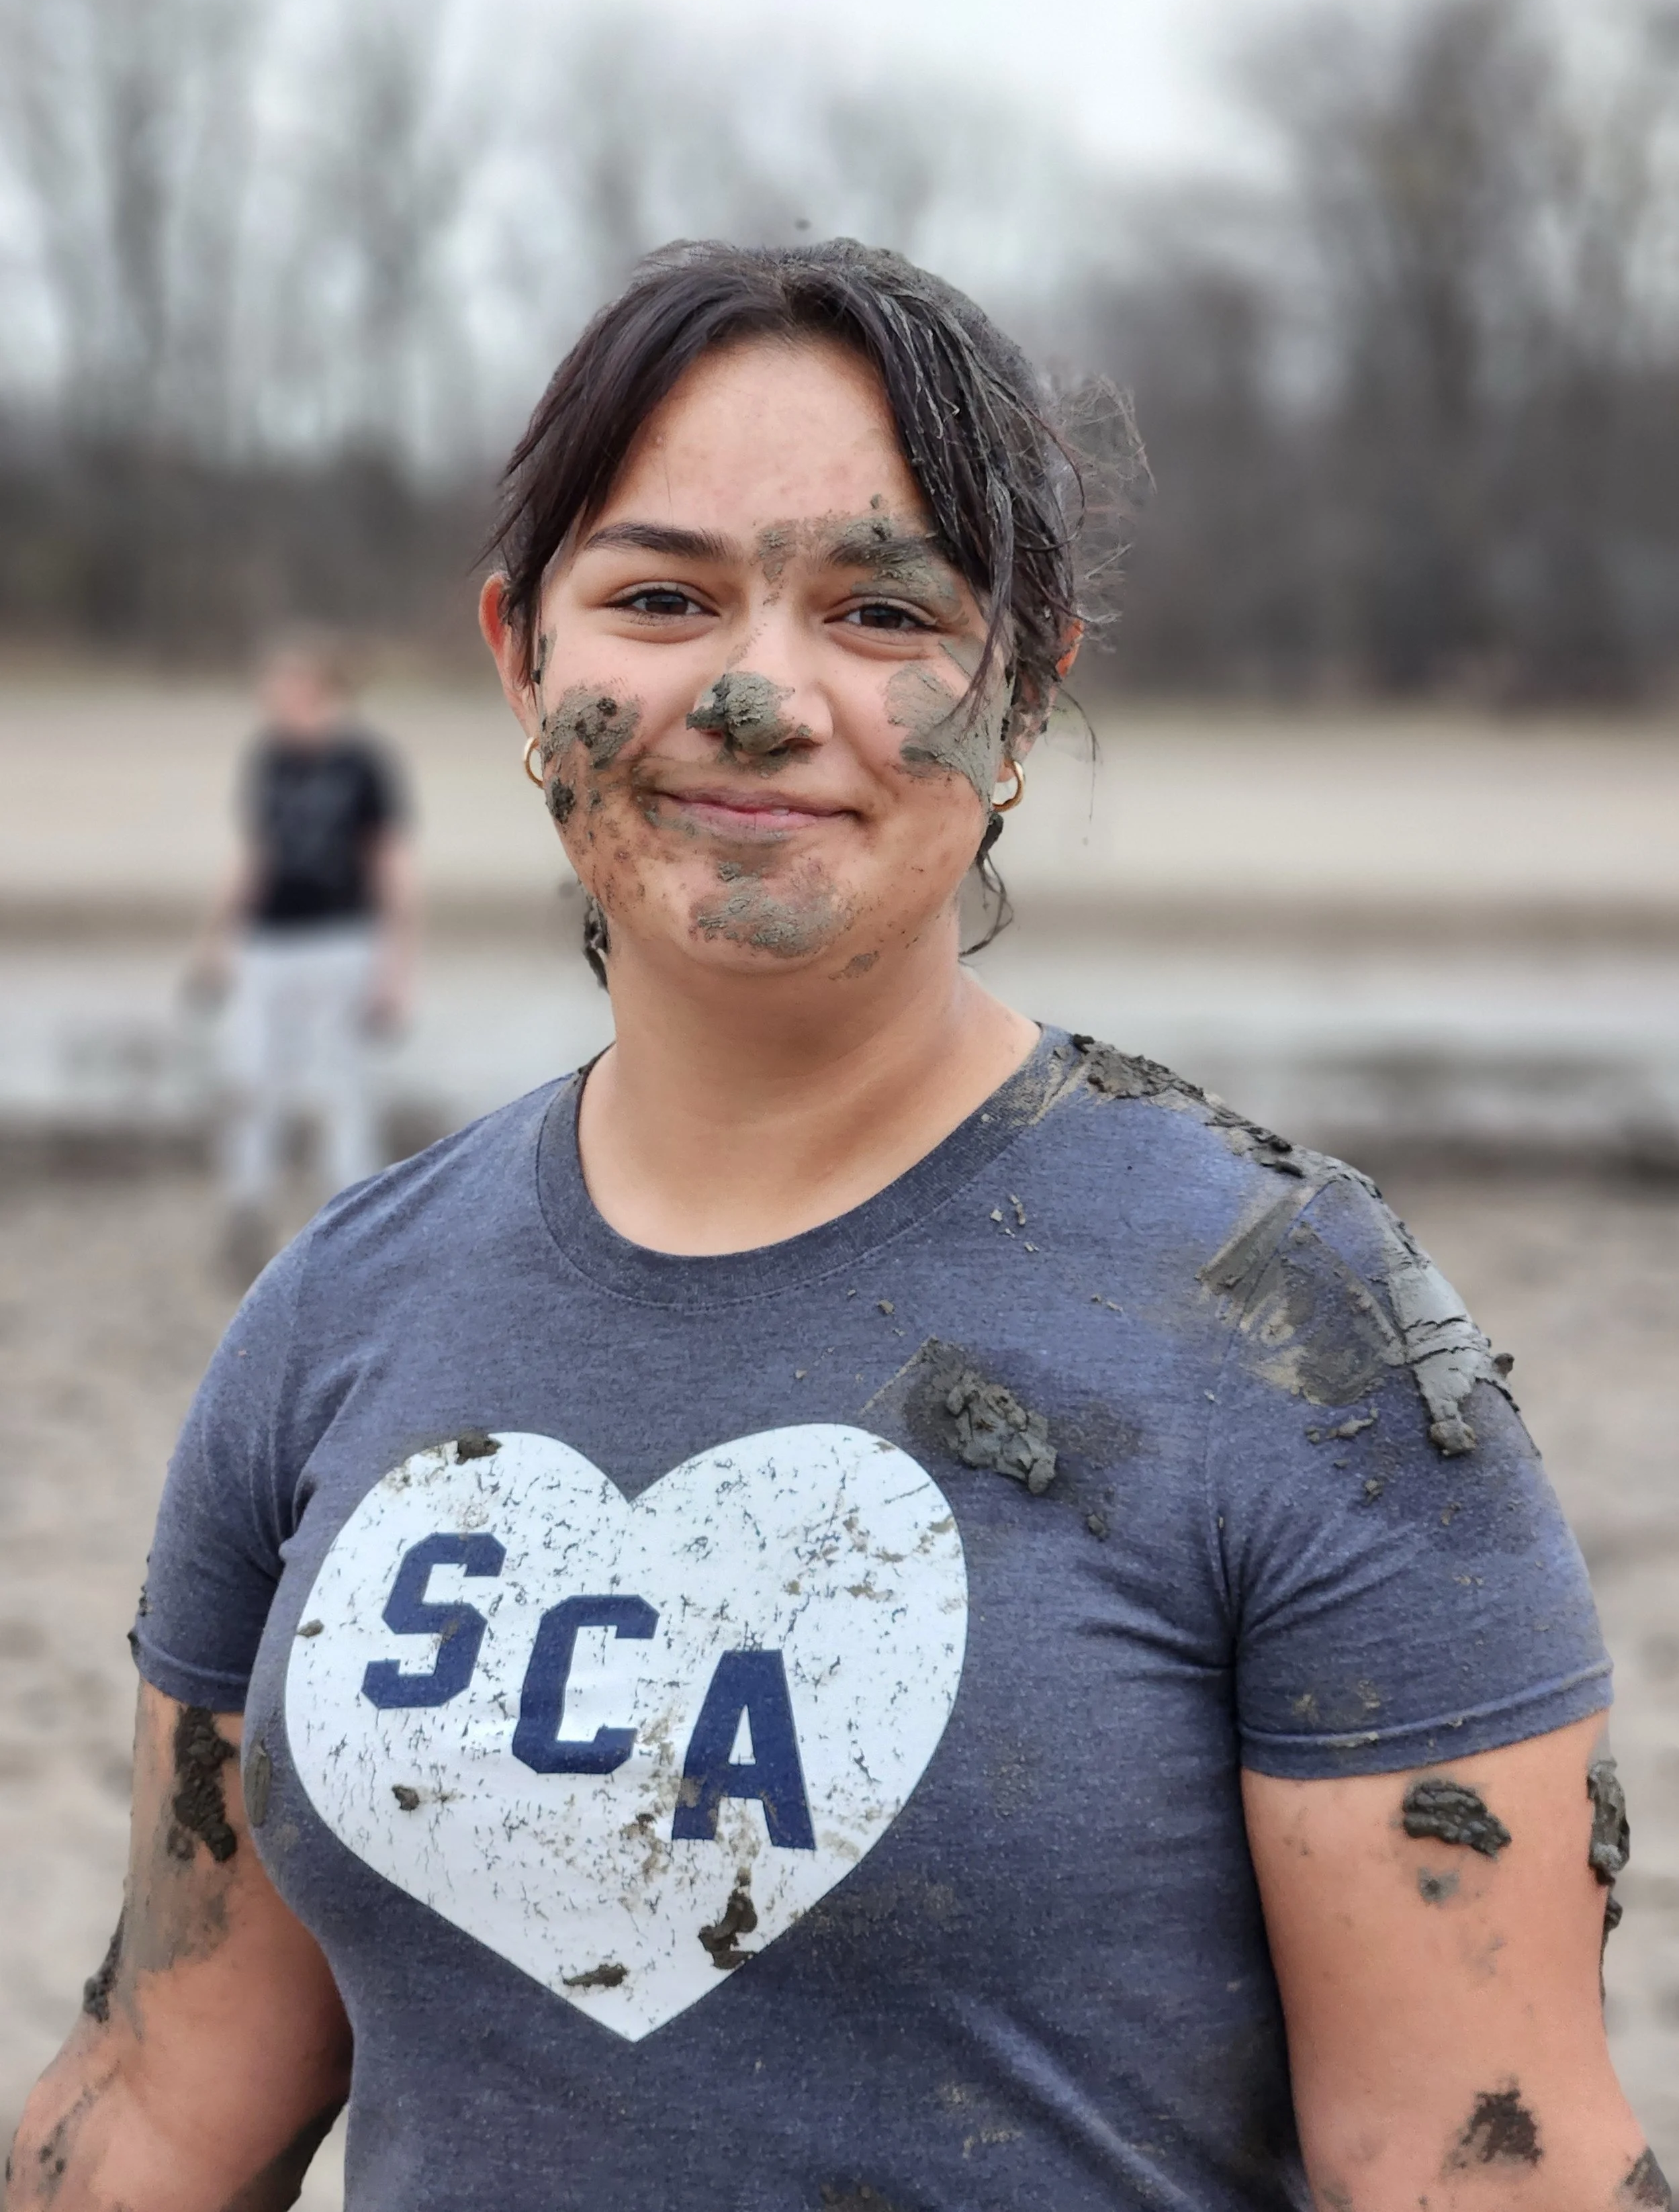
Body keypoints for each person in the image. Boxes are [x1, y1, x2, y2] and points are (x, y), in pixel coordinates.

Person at [8, 241, 1661, 2212]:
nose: (754, 692)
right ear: (521, 658)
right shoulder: (335, 1316)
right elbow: (161, 2090)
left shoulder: (1292, 1333)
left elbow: (1488, 2163)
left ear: (1021, 693)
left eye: (880, 608)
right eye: (657, 595)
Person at [191, 633, 416, 1283]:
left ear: (322, 693)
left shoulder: (364, 764)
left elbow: (390, 863)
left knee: (343, 1088)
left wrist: (396, 969)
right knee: (249, 1077)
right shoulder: (269, 758)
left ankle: (358, 1230)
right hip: (266, 944)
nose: (275, 706)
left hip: (343, 941)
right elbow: (255, 853)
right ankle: (246, 1213)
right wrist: (216, 943)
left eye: (286, 692)